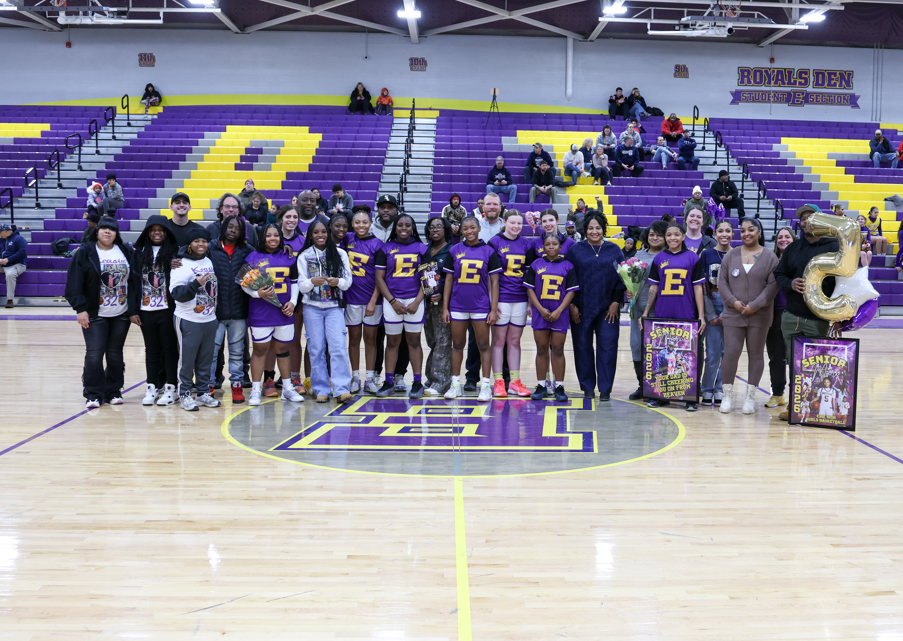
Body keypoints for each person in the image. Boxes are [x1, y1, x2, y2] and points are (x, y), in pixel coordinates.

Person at [65, 217, 140, 409]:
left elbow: (134, 282)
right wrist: (80, 309)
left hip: (121, 313)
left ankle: (113, 391)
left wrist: (133, 310)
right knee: (94, 354)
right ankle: (93, 394)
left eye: (112, 229)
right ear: (97, 231)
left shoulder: (125, 251)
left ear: (116, 233)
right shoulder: (85, 252)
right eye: (104, 228)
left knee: (115, 354)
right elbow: (74, 282)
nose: (107, 232)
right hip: (94, 313)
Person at [774, 204, 839, 421]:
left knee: (818, 366)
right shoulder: (793, 248)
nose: (806, 221)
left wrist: (838, 317)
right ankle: (795, 406)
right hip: (791, 316)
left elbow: (843, 282)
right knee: (794, 363)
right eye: (803, 219)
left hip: (818, 318)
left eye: (810, 217)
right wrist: (790, 283)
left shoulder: (833, 247)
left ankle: (816, 408)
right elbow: (779, 275)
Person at [640, 222, 707, 412]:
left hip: (687, 314)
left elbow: (698, 288)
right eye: (668, 235)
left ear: (683, 236)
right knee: (663, 356)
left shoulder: (693, 258)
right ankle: (661, 395)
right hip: (663, 315)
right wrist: (645, 313)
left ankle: (690, 396)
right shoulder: (659, 258)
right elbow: (653, 287)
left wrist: (701, 316)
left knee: (689, 356)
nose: (672, 238)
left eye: (676, 234)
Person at [717, 218, 779, 415]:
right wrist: (733, 302)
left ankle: (750, 397)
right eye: (743, 231)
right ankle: (727, 396)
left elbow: (772, 287)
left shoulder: (770, 257)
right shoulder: (731, 255)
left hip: (760, 315)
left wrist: (755, 305)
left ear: (759, 232)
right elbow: (722, 282)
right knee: (731, 353)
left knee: (756, 354)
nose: (746, 234)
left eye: (751, 230)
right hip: (733, 314)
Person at [242, 224, 305, 406]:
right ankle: (256, 390)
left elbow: (294, 281)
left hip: (284, 312)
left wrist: (293, 302)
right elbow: (244, 283)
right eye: (268, 235)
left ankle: (287, 389)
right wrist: (257, 294)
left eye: (276, 235)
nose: (272, 238)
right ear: (262, 237)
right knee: (260, 350)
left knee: (283, 351)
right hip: (260, 312)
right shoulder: (252, 257)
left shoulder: (289, 256)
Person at [567, 212, 625, 401]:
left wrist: (616, 302)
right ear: (585, 229)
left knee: (608, 348)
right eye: (590, 228)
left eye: (598, 228)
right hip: (580, 307)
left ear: (603, 229)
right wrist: (572, 304)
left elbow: (622, 278)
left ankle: (606, 389)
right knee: (582, 347)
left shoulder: (614, 250)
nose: (594, 231)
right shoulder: (575, 250)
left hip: (609, 309)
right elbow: (568, 278)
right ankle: (587, 387)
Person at [442, 216, 501, 402]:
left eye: (472, 227)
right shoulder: (454, 250)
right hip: (458, 305)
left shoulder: (489, 251)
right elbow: (448, 281)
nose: (469, 231)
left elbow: (495, 282)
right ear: (461, 230)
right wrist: (445, 308)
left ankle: (486, 386)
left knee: (483, 345)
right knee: (457, 345)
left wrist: (493, 309)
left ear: (479, 228)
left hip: (480, 306)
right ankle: (455, 385)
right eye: (465, 228)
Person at [297, 220, 353, 403]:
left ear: (328, 233)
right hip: (312, 308)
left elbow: (348, 281)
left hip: (334, 308)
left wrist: (338, 282)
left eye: (323, 232)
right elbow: (301, 285)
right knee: (316, 349)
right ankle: (321, 388)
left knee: (338, 348)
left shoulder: (340, 253)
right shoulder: (304, 256)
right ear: (311, 235)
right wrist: (311, 282)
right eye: (316, 232)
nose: (320, 235)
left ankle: (341, 389)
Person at [374, 214, 428, 398]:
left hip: (415, 301)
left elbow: (428, 279)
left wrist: (417, 301)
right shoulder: (385, 248)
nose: (404, 228)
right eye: (400, 225)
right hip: (392, 302)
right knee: (392, 343)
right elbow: (379, 278)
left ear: (413, 228)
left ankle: (417, 382)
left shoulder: (422, 248)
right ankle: (388, 382)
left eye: (407, 225)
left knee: (414, 342)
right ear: (395, 227)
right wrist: (392, 301)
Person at [169, 227, 221, 411]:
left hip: (209, 319)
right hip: (188, 318)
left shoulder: (208, 261)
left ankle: (202, 393)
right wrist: (195, 284)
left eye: (204, 241)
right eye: (197, 241)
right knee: (187, 361)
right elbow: (176, 293)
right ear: (189, 244)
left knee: (205, 360)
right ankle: (184, 394)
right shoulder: (180, 264)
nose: (201, 244)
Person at [131, 215, 180, 407]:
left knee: (170, 350)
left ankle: (171, 387)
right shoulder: (138, 253)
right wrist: (133, 310)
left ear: (166, 232)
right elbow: (132, 283)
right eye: (153, 230)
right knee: (151, 350)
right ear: (147, 232)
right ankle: (151, 387)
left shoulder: (176, 252)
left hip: (168, 309)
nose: (157, 233)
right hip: (145, 309)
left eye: (160, 230)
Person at [525, 232, 579, 402]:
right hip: (540, 314)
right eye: (547, 244)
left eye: (554, 244)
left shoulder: (568, 266)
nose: (551, 247)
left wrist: (559, 310)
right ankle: (541, 385)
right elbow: (530, 289)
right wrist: (540, 309)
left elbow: (571, 292)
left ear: (560, 247)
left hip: (559, 314)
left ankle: (559, 386)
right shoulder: (536, 264)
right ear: (543, 247)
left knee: (558, 349)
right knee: (541, 349)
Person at [488, 210, 534, 398]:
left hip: (520, 298)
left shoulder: (526, 244)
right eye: (512, 223)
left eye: (519, 223)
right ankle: (498, 381)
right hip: (501, 299)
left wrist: (530, 302)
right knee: (498, 341)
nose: (516, 226)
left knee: (514, 341)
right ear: (504, 222)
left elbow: (529, 275)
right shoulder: (494, 242)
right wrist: (492, 302)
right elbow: (489, 276)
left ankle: (514, 382)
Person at [207, 215, 253, 400]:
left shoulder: (248, 251)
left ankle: (237, 386)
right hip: (215, 312)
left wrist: (285, 248)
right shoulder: (211, 248)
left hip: (238, 312)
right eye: (230, 226)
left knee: (237, 353)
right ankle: (208, 386)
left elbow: (265, 256)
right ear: (224, 227)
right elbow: (190, 254)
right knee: (211, 353)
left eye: (238, 228)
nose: (234, 230)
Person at [370, 195, 409, 392]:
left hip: (401, 292)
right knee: (377, 336)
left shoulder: (404, 229)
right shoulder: (369, 229)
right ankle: (376, 373)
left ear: (396, 210)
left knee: (402, 337)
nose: (386, 210)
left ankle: (399, 374)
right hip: (374, 292)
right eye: (382, 207)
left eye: (390, 207)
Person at [345, 208, 384, 395]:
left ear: (370, 224)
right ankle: (355, 377)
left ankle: (369, 379)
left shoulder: (378, 244)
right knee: (353, 339)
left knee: (370, 339)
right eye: (357, 222)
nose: (361, 225)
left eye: (365, 222)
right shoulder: (347, 239)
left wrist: (373, 300)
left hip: (371, 300)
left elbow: (380, 277)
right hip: (351, 298)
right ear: (352, 224)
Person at [628, 221, 666, 400]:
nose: (655, 238)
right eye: (652, 234)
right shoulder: (639, 255)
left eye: (659, 235)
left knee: (656, 349)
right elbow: (632, 280)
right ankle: (642, 386)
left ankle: (656, 387)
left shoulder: (668, 256)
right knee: (637, 346)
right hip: (637, 308)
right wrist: (629, 290)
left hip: (659, 309)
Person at [699, 220, 732, 405]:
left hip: (732, 307)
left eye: (728, 231)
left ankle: (720, 388)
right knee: (712, 352)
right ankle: (707, 388)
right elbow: (702, 286)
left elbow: (740, 287)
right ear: (715, 234)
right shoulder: (707, 254)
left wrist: (727, 312)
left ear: (732, 234)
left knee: (727, 352)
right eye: (720, 231)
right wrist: (710, 314)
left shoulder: (737, 254)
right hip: (711, 302)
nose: (724, 234)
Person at [422, 217, 454, 396]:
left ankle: (442, 381)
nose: (435, 230)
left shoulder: (451, 250)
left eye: (439, 227)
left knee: (443, 340)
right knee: (432, 341)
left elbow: (453, 278)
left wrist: (442, 294)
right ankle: (431, 377)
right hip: (426, 303)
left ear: (445, 229)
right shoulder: (424, 250)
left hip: (444, 303)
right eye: (432, 227)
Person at [765, 226, 796, 409]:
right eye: (780, 237)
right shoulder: (770, 261)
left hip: (794, 312)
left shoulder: (800, 259)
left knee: (793, 356)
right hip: (773, 312)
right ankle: (777, 393)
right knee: (776, 355)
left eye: (787, 236)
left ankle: (796, 395)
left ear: (794, 239)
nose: (783, 239)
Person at [0, 223, 28, 309]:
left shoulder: (19, 239)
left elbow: (22, 252)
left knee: (10, 274)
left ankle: (10, 300)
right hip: (2, 264)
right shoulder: (1, 240)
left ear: (5, 231)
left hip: (18, 264)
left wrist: (8, 259)